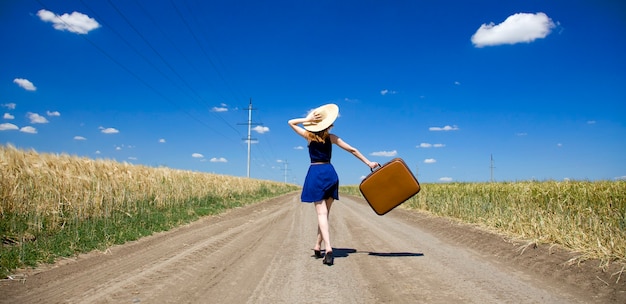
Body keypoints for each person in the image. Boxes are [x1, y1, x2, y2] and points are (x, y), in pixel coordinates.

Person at [288, 104, 379, 266]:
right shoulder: (331, 138)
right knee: (325, 215)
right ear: (328, 124)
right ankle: (317, 246)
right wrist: (368, 163)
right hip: (330, 173)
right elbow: (352, 150)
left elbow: (291, 122)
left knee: (321, 215)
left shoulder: (308, 136)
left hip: (315, 173)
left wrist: (306, 120)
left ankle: (328, 249)